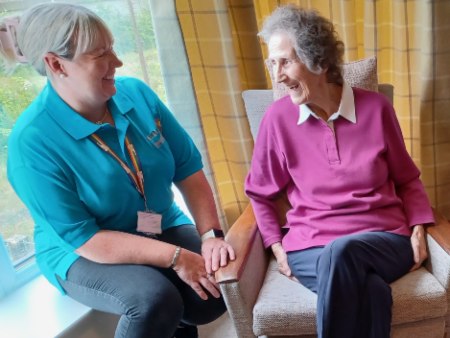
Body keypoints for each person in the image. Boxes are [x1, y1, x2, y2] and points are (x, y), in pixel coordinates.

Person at [6, 3, 235, 338]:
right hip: (83, 249)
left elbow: (188, 170)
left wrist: (210, 236)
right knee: (154, 300)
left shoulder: (136, 94)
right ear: (56, 64)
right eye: (101, 54)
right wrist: (176, 258)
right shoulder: (32, 142)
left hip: (157, 222)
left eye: (112, 47)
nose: (117, 62)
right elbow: (85, 239)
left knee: (217, 287)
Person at [245, 5, 434, 338]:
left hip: (384, 239)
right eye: (271, 63)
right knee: (371, 290)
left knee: (343, 250)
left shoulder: (377, 109)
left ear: (319, 60)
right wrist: (276, 246)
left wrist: (418, 228)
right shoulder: (277, 120)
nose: (277, 76)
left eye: (286, 61)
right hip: (309, 247)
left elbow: (407, 179)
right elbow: (260, 193)